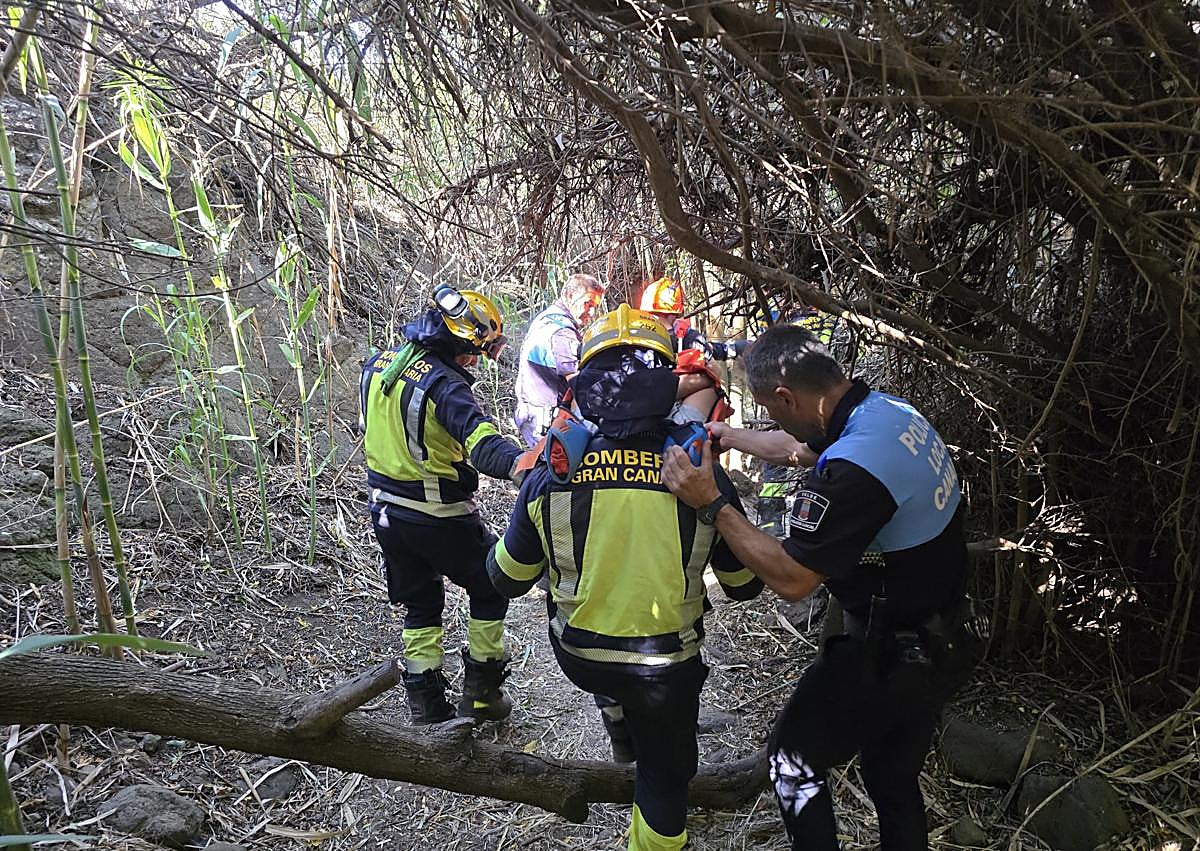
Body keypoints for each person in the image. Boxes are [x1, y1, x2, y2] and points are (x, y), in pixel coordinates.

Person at [661, 324, 970, 851]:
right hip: (940, 637)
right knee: (891, 774)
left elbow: (793, 579)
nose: (772, 419)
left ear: (787, 396)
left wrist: (712, 503)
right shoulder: (884, 414)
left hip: (888, 653)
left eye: (770, 408)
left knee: (791, 758)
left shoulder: (853, 473)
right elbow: (797, 447)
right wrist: (727, 437)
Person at [487, 304, 763, 851]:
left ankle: (617, 720)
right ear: (667, 383)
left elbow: (505, 579)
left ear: (585, 386)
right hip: (664, 670)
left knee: (607, 660)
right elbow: (744, 586)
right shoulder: (698, 474)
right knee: (665, 777)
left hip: (579, 655)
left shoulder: (552, 473)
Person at [360, 285, 523, 724]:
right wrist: (524, 465)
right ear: (459, 341)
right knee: (490, 584)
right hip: (437, 514)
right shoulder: (444, 386)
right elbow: (484, 446)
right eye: (475, 353)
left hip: (385, 514)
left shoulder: (377, 365)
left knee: (421, 602)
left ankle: (426, 704)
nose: (474, 362)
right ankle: (483, 693)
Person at [514, 273, 607, 446]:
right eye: (588, 303)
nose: (592, 312)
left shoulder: (548, 318)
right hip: (545, 421)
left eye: (595, 306)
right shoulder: (562, 332)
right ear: (570, 296)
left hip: (531, 413)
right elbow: (579, 385)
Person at [637, 275, 743, 424]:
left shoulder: (685, 337)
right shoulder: (686, 337)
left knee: (711, 385)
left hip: (659, 411)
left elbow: (713, 366)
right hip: (657, 411)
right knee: (710, 385)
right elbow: (715, 371)